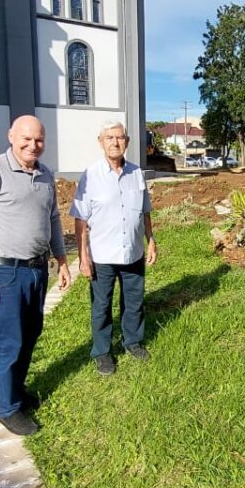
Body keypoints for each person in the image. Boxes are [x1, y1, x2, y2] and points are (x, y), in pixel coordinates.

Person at [0, 115, 71, 436]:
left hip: (38, 270)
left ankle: (16, 393)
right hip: (6, 272)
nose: (32, 145)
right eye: (25, 138)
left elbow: (52, 220)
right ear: (11, 136)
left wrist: (62, 260)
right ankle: (7, 409)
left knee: (31, 333)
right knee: (9, 341)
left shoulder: (46, 175)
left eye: (38, 140)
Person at [70, 121, 157, 376]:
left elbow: (145, 211)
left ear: (127, 142)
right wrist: (83, 257)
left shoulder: (136, 173)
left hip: (132, 252)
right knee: (101, 306)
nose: (115, 142)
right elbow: (80, 220)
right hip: (102, 256)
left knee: (134, 303)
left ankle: (132, 342)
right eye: (109, 138)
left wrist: (150, 239)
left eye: (119, 137)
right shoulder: (90, 176)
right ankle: (102, 352)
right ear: (101, 141)